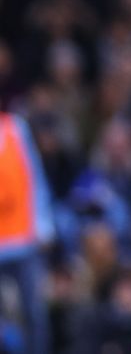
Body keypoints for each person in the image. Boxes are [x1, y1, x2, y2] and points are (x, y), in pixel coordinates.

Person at [0, 111, 54, 354]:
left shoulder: (14, 127)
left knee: (34, 312)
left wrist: (43, 224)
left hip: (23, 240)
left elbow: (34, 176)